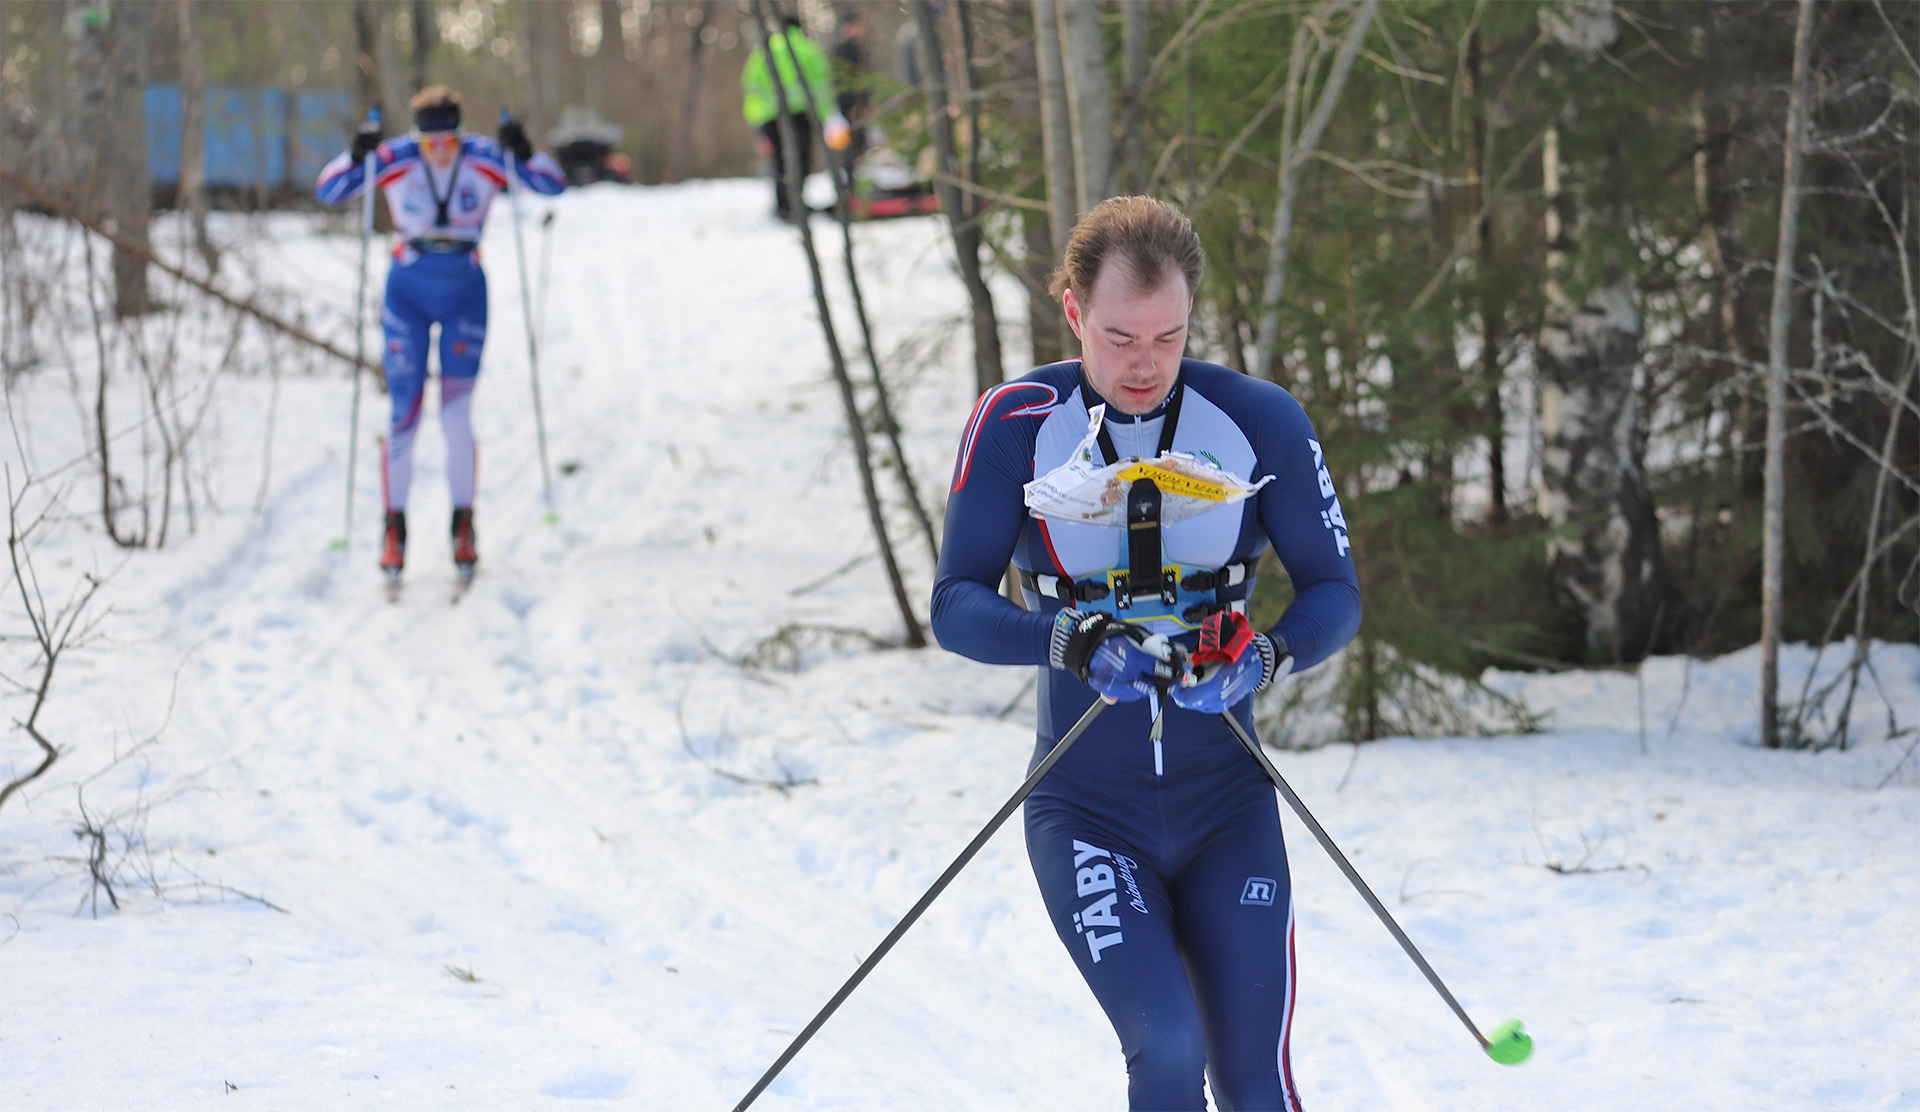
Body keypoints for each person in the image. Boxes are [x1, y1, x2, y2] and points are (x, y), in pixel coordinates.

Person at [930, 196, 1361, 1111]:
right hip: (1088, 808)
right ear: (1074, 310)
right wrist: (1065, 637)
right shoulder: (1017, 421)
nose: (1145, 365)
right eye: (1121, 337)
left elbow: (1336, 593)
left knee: (1255, 1084)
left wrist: (1266, 658)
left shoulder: (1259, 418)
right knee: (1167, 1055)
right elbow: (954, 604)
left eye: (1169, 338)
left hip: (1227, 804)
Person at [315, 87, 565, 581]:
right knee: (404, 413)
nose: (441, 151)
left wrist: (525, 148)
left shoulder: (483, 157)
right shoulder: (398, 157)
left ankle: (463, 526)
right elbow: (328, 190)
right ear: (417, 137)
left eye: (448, 140)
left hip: (464, 291)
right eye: (430, 143)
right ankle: (393, 530)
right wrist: (355, 153)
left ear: (459, 132)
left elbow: (552, 186)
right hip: (407, 291)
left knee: (455, 415)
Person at [741, 15, 846, 221]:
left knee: (779, 161)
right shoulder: (808, 48)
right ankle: (797, 202)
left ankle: (783, 206)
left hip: (771, 117)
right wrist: (827, 116)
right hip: (802, 115)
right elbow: (823, 84)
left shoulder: (765, 50)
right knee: (801, 159)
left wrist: (758, 124)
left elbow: (751, 85)